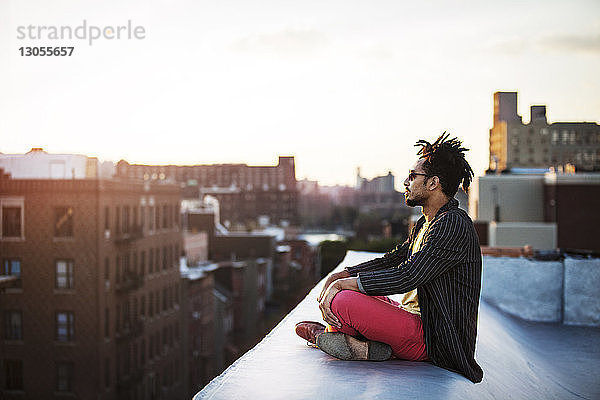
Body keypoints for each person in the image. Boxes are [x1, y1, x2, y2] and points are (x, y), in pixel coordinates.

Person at [295, 133, 483, 383]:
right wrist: (346, 273)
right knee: (349, 292)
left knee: (342, 300)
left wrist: (343, 285)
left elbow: (408, 275)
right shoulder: (428, 222)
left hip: (432, 339)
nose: (406, 182)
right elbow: (392, 260)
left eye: (413, 176)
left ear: (433, 183)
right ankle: (360, 346)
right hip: (414, 319)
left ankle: (339, 340)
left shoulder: (452, 224)